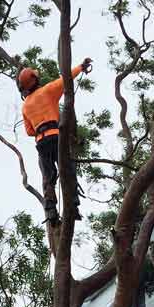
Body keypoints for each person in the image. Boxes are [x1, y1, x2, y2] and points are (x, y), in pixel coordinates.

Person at [19, 57, 93, 225]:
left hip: (41, 143)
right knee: (67, 169)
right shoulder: (48, 91)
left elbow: (29, 131)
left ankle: (51, 210)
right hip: (56, 137)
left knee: (48, 177)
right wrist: (81, 67)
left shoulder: (25, 107)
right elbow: (66, 78)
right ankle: (73, 204)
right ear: (35, 80)